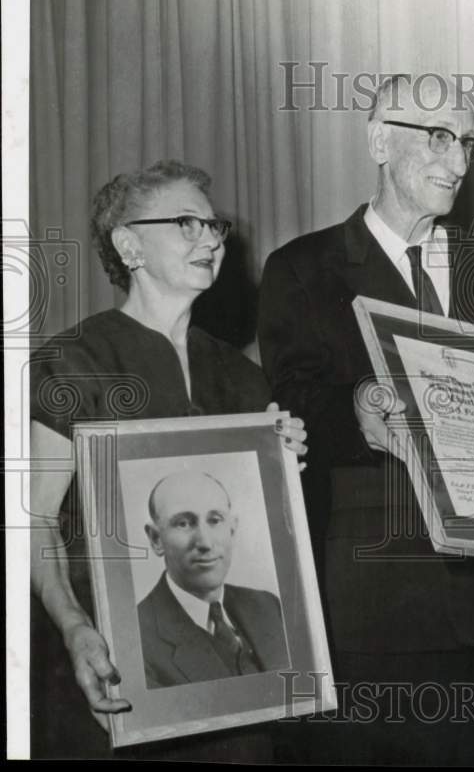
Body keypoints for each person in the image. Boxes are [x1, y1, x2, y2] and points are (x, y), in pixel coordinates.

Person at [257, 73, 474, 766]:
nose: (457, 163)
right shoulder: (302, 269)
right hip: (383, 600)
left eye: (467, 144)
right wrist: (358, 409)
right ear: (377, 140)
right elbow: (294, 403)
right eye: (437, 139)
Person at [29, 159, 307, 760]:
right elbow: (35, 518)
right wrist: (75, 627)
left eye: (215, 227)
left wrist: (285, 471)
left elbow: (258, 538)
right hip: (113, 666)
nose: (210, 239)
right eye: (186, 223)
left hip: (238, 685)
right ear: (128, 244)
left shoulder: (244, 377)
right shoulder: (73, 361)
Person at [138, 470, 289, 688]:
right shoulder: (137, 643)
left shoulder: (268, 606)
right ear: (155, 539)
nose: (205, 542)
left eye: (215, 520)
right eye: (183, 523)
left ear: (232, 529)